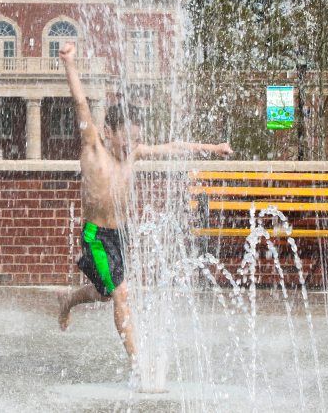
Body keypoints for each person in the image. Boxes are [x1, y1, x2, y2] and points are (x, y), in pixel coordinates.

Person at [56, 42, 232, 367]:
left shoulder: (134, 152)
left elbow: (172, 147)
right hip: (97, 236)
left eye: (137, 139)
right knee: (121, 293)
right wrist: (70, 64)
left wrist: (212, 147)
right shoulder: (94, 148)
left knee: (108, 293)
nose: (132, 145)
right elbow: (80, 103)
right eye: (126, 138)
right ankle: (139, 364)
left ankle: (68, 302)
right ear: (108, 132)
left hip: (121, 234)